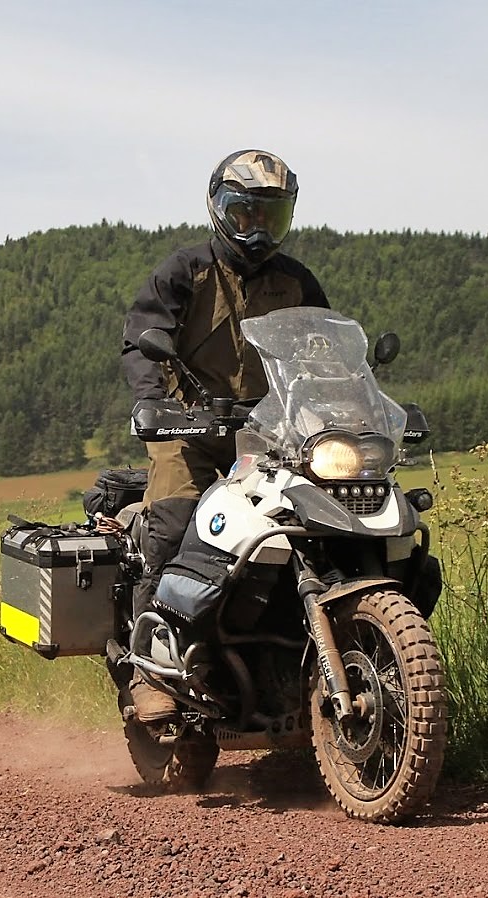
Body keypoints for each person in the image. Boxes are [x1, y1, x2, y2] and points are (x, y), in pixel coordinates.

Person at [120, 149, 329, 722]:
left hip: (268, 432)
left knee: (312, 523)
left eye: (271, 216)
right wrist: (154, 405)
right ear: (218, 207)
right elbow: (143, 342)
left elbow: (326, 356)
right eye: (245, 213)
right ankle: (151, 668)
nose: (257, 228)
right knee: (175, 519)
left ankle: (289, 666)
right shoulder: (185, 271)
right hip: (189, 426)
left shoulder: (297, 283)